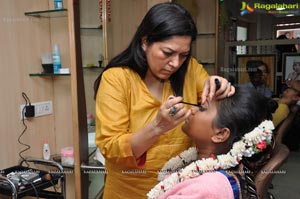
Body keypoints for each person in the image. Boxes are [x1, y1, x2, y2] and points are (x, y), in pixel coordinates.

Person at [93, 2, 234, 199]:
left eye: (183, 55)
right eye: (167, 53)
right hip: (129, 192)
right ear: (145, 41)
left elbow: (214, 103)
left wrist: (219, 84)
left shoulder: (190, 69)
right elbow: (111, 148)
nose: (175, 63)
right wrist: (157, 127)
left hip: (182, 190)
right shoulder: (117, 79)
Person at [148, 86, 277, 199]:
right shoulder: (203, 170)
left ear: (220, 134)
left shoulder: (207, 189)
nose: (192, 110)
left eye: (202, 108)